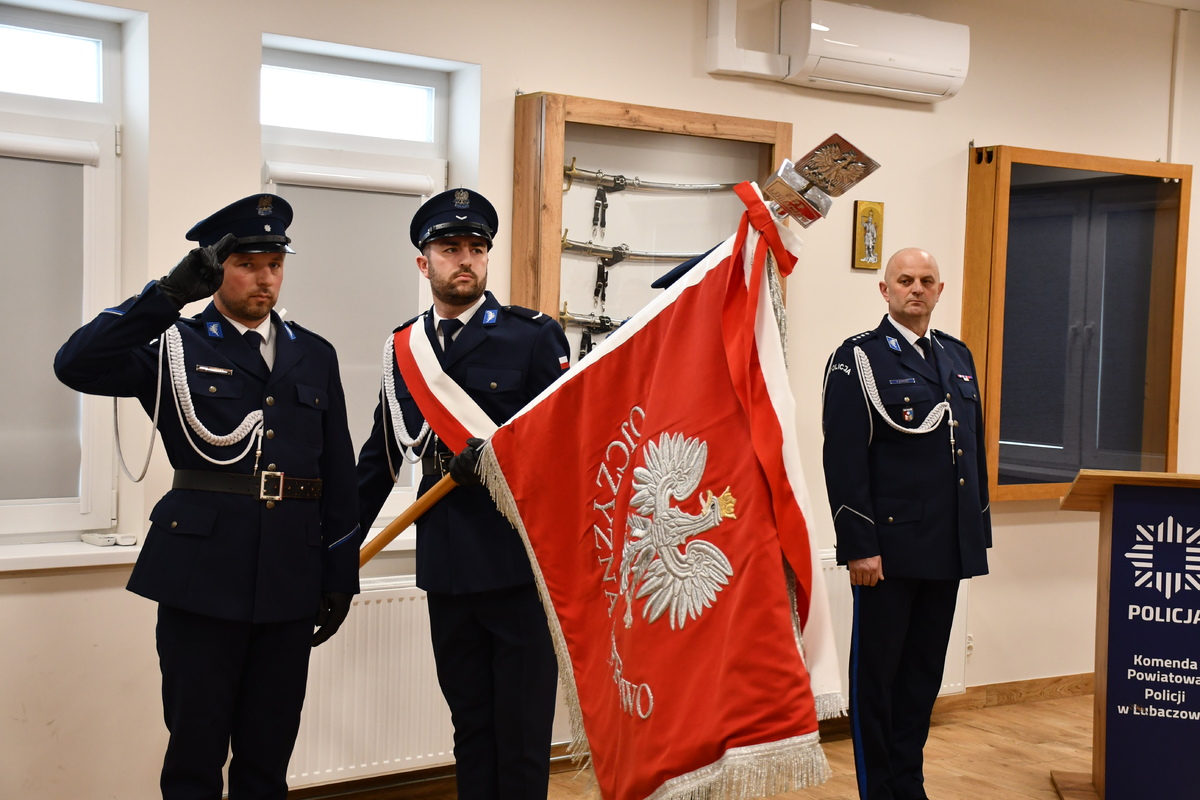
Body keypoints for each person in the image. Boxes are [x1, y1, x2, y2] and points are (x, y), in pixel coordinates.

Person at [54, 194, 362, 800]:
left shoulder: (314, 353)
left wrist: (338, 573)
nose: (265, 278)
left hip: (289, 574)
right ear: (216, 269)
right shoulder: (175, 344)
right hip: (201, 574)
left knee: (269, 751)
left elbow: (338, 473)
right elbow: (76, 365)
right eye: (247, 264)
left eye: (275, 264)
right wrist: (166, 296)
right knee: (195, 749)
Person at [357, 188, 570, 800]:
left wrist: (503, 460)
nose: (466, 260)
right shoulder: (405, 347)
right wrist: (335, 545)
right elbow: (380, 457)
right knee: (470, 725)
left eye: (476, 248)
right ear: (423, 262)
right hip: (446, 568)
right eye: (450, 249)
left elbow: (563, 445)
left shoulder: (533, 337)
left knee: (522, 730)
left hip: (517, 565)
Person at [821, 247, 991, 800]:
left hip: (945, 547)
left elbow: (971, 454)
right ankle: (880, 792)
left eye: (926, 280)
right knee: (878, 683)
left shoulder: (957, 356)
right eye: (904, 280)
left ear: (939, 290)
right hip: (887, 552)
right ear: (885, 290)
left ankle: (908, 786)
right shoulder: (858, 359)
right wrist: (858, 545)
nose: (916, 289)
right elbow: (843, 460)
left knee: (921, 681)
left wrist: (976, 535)